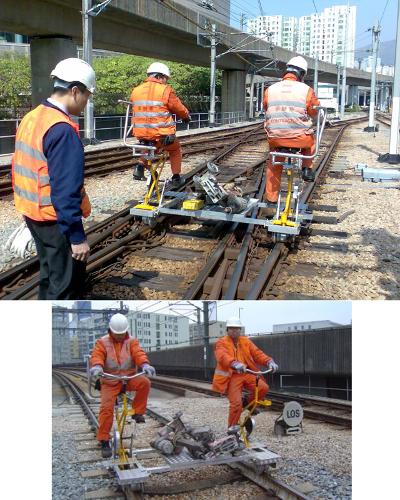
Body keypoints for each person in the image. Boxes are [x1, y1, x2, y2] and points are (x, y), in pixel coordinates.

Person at [11, 58, 95, 299]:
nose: (86, 102)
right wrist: (77, 237)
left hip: (33, 214)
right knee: (66, 286)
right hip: (55, 221)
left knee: (49, 275)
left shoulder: (33, 117)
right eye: (87, 96)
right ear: (75, 91)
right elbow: (65, 190)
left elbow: (20, 166)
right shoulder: (61, 129)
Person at [90, 313, 156, 458]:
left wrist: (144, 364)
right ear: (111, 330)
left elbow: (138, 353)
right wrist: (97, 366)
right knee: (106, 409)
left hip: (128, 379)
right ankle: (104, 440)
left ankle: (138, 412)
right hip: (110, 381)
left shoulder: (132, 341)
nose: (119, 336)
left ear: (126, 331)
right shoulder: (102, 342)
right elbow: (97, 355)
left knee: (145, 383)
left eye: (122, 333)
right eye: (117, 334)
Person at [263, 56, 320, 204]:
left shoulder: (270, 89)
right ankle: (307, 169)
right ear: (301, 73)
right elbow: (314, 111)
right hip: (300, 139)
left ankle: (271, 199)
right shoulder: (307, 90)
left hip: (276, 138)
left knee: (274, 162)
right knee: (310, 140)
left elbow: (266, 107)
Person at [130, 62, 190, 188]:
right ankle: (176, 177)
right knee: (175, 150)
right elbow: (178, 107)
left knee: (148, 147)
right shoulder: (165, 90)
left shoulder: (136, 90)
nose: (166, 81)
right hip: (162, 136)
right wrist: (185, 116)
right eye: (165, 79)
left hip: (142, 135)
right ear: (160, 76)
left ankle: (140, 166)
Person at [212, 317, 279, 428]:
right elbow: (222, 356)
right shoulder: (221, 342)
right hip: (232, 376)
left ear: (240, 330)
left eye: (237, 328)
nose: (234, 330)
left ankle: (247, 403)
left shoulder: (245, 341)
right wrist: (234, 363)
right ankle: (232, 428)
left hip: (246, 373)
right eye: (232, 328)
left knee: (263, 388)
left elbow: (257, 353)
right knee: (236, 404)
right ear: (227, 330)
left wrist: (269, 361)